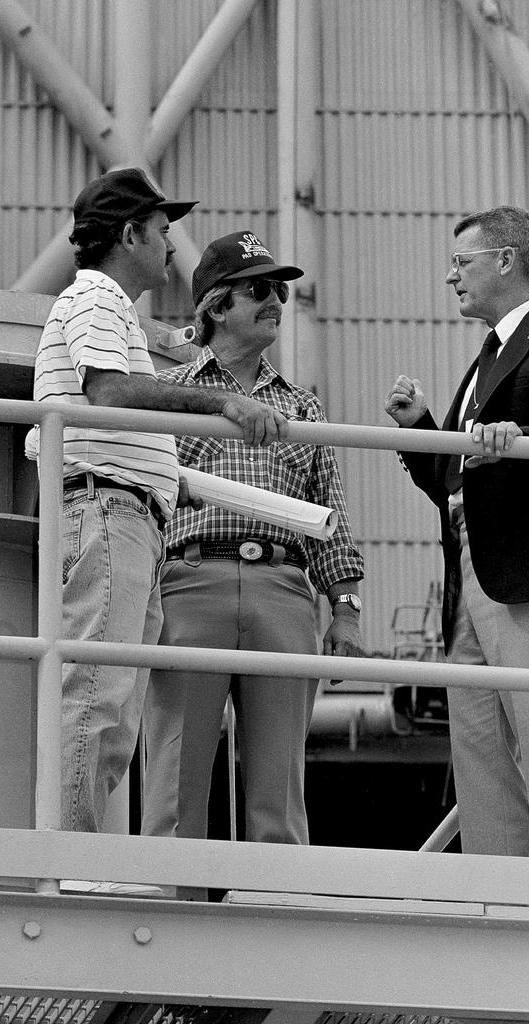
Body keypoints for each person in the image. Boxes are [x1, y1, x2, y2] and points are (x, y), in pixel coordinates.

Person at [27, 170, 287, 840]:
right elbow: (110, 395)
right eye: (164, 232)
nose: (173, 249)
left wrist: (184, 340)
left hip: (125, 513)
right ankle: (71, 867)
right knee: (95, 700)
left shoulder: (106, 307)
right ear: (132, 232)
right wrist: (223, 400)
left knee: (110, 710)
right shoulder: (94, 300)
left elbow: (139, 356)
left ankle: (75, 860)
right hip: (110, 511)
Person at [384, 205, 529, 860]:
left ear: (507, 261)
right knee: (481, 753)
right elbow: (456, 479)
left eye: (463, 263)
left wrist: (519, 439)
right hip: (473, 572)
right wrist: (424, 426)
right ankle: (502, 902)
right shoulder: (483, 361)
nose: (451, 277)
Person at [142, 230, 365, 851]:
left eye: (282, 291)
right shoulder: (167, 400)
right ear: (215, 306)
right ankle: (165, 905)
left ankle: (276, 912)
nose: (277, 302)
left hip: (285, 591)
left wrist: (345, 612)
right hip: (188, 586)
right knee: (173, 777)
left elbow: (331, 517)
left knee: (280, 782)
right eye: (261, 289)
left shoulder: (302, 407)